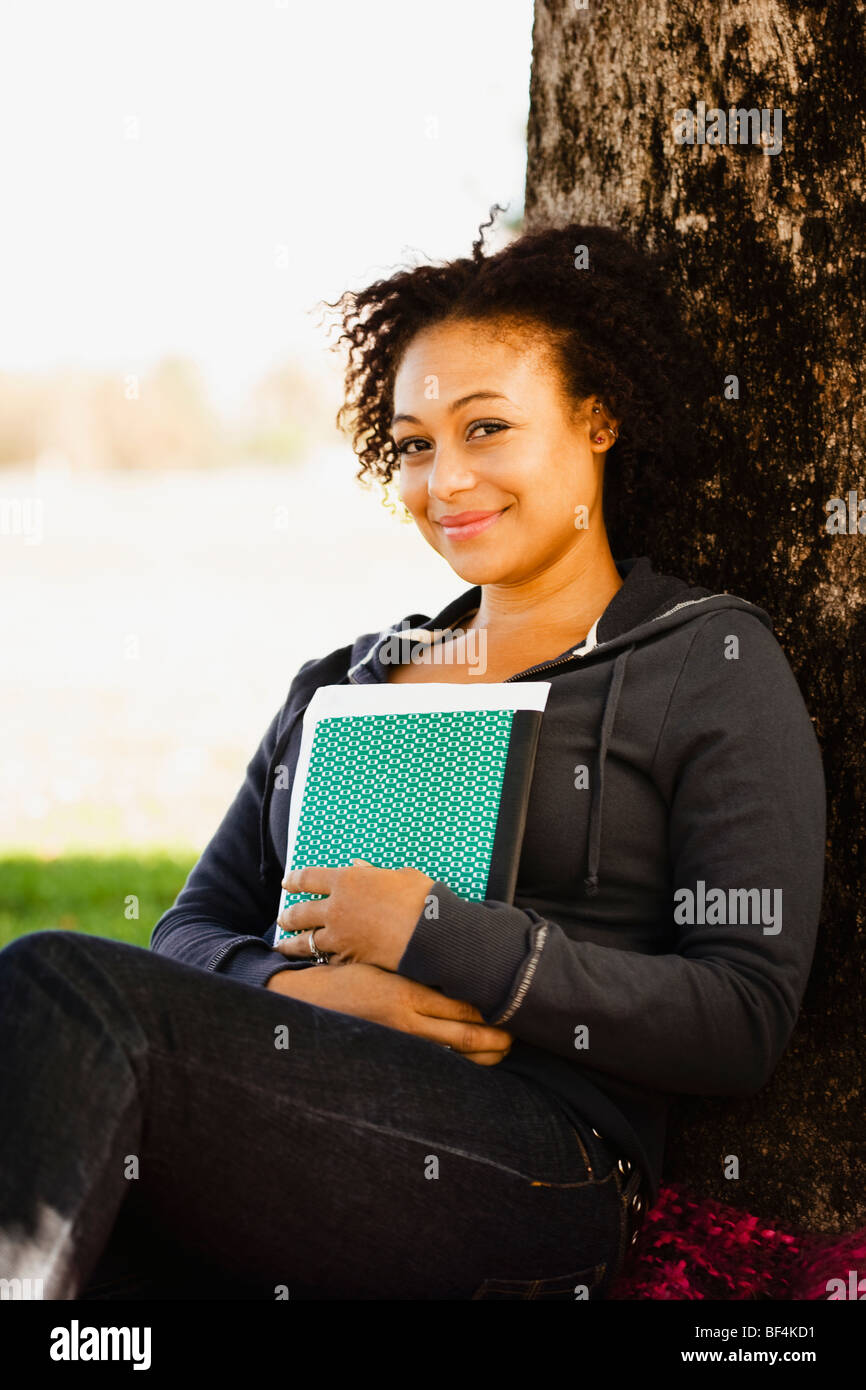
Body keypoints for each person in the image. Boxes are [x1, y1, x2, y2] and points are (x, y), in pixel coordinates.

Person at [0, 217, 826, 1301]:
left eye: (486, 428)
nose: (446, 479)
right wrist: (306, 990)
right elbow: (191, 929)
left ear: (598, 419)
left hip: (535, 1167)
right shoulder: (344, 682)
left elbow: (740, 1015)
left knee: (56, 982)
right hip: (296, 1102)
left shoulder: (701, 658)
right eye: (414, 442)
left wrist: (433, 936)